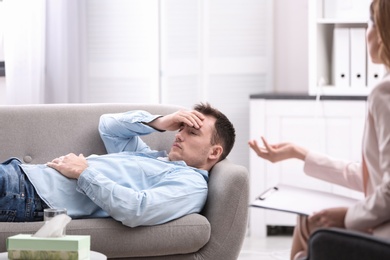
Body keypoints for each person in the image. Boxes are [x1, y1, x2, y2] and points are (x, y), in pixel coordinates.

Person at [249, 0, 390, 259]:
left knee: (310, 226)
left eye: (371, 22)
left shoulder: (385, 92)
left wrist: (348, 217)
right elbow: (374, 177)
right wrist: (299, 152)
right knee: (309, 224)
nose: (366, 32)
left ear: (383, 32)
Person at [0, 102, 235, 228]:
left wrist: (84, 172)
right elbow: (109, 126)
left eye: (192, 132)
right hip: (21, 174)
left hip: (29, 195)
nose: (179, 135)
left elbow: (137, 209)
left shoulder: (191, 185)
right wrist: (163, 122)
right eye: (181, 128)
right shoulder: (152, 157)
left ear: (214, 152)